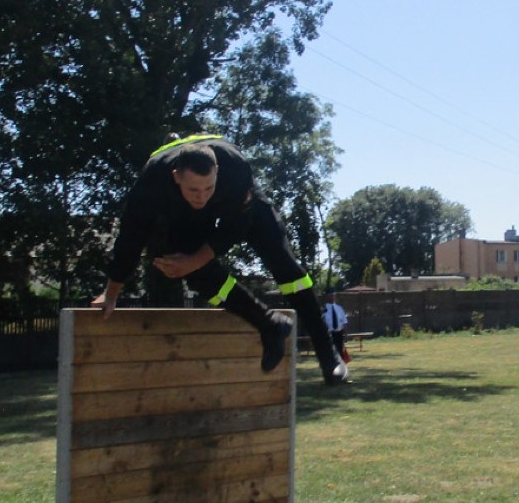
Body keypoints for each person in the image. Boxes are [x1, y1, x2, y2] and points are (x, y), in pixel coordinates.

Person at [91, 133, 349, 384]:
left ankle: (328, 354)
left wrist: (196, 259)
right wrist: (111, 292)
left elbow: (234, 228)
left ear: (217, 172)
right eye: (194, 189)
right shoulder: (151, 185)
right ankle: (269, 325)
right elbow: (130, 238)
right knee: (179, 264)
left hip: (238, 206)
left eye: (208, 188)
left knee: (285, 264)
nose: (202, 196)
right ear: (176, 178)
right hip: (184, 217)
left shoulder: (234, 168)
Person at [323, 289, 349, 361]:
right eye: (330, 295)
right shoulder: (324, 309)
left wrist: (346, 334)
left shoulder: (339, 308)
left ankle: (340, 365)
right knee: (330, 352)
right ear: (327, 297)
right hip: (329, 334)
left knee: (340, 352)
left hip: (339, 333)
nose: (332, 297)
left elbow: (344, 321)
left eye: (333, 295)